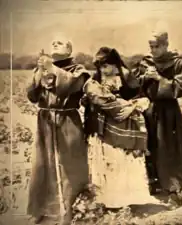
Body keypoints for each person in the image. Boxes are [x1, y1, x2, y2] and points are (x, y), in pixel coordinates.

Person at [26, 38, 90, 225]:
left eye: (60, 42)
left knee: (69, 165)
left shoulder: (79, 70)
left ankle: (70, 211)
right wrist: (39, 72)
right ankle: (41, 210)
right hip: (44, 121)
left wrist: (52, 69)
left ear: (70, 49)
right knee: (42, 164)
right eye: (52, 42)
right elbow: (32, 95)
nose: (54, 44)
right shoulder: (43, 68)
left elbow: (68, 86)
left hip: (68, 120)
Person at [81, 47, 152, 207]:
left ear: (114, 63)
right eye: (100, 66)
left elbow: (137, 95)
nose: (103, 69)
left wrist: (124, 104)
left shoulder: (125, 75)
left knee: (120, 156)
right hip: (103, 123)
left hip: (123, 121)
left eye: (105, 65)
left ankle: (125, 198)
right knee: (106, 157)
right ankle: (107, 197)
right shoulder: (98, 77)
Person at [134, 31, 182, 204]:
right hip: (149, 108)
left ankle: (174, 188)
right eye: (151, 46)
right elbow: (135, 84)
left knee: (168, 147)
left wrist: (159, 78)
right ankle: (157, 186)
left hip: (168, 111)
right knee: (151, 145)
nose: (153, 50)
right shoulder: (145, 62)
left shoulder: (177, 63)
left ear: (166, 45)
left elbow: (179, 88)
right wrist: (143, 78)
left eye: (157, 46)